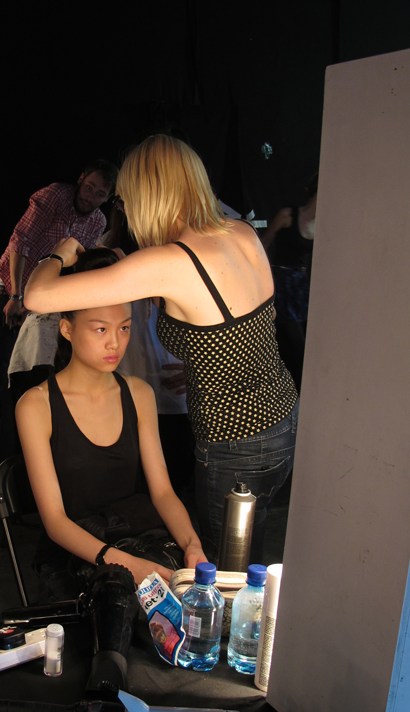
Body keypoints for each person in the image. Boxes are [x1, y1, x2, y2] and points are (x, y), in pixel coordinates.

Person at [24, 134, 299, 564]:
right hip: (283, 422)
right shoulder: (241, 233)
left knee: (222, 578)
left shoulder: (172, 261)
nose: (127, 210)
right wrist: (202, 368)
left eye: (128, 198)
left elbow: (37, 297)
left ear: (148, 195)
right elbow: (252, 327)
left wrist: (56, 256)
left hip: (234, 442)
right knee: (248, 566)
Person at [16, 249, 207, 603]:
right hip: (75, 555)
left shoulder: (138, 393)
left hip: (137, 535)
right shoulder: (36, 405)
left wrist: (192, 544)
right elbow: (56, 521)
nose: (114, 343)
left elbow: (163, 492)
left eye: (124, 328)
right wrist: (126, 565)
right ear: (67, 329)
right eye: (100, 329)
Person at [0, 160, 118, 495]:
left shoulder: (98, 220)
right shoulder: (55, 197)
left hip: (47, 307)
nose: (90, 197)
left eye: (99, 194)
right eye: (89, 187)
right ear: (80, 179)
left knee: (36, 381)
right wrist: (16, 295)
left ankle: (33, 474)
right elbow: (21, 242)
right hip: (13, 291)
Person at [261, 174, 318, 391]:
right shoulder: (288, 215)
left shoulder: (322, 224)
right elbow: (264, 243)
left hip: (301, 288)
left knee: (301, 343)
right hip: (281, 284)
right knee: (294, 343)